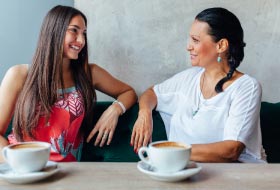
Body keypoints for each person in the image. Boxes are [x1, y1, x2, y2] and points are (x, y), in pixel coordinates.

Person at [0, 5, 137, 162]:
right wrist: (17, 164)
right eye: (74, 30)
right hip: (23, 170)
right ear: (54, 31)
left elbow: (128, 92)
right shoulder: (19, 75)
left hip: (68, 174)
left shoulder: (89, 73)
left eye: (84, 33)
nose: (81, 40)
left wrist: (114, 110)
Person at [131, 7, 266, 163]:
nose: (188, 46)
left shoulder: (247, 87)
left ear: (221, 46)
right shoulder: (188, 78)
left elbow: (231, 150)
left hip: (236, 178)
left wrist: (169, 151)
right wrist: (144, 114)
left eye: (195, 40)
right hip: (185, 175)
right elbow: (151, 93)